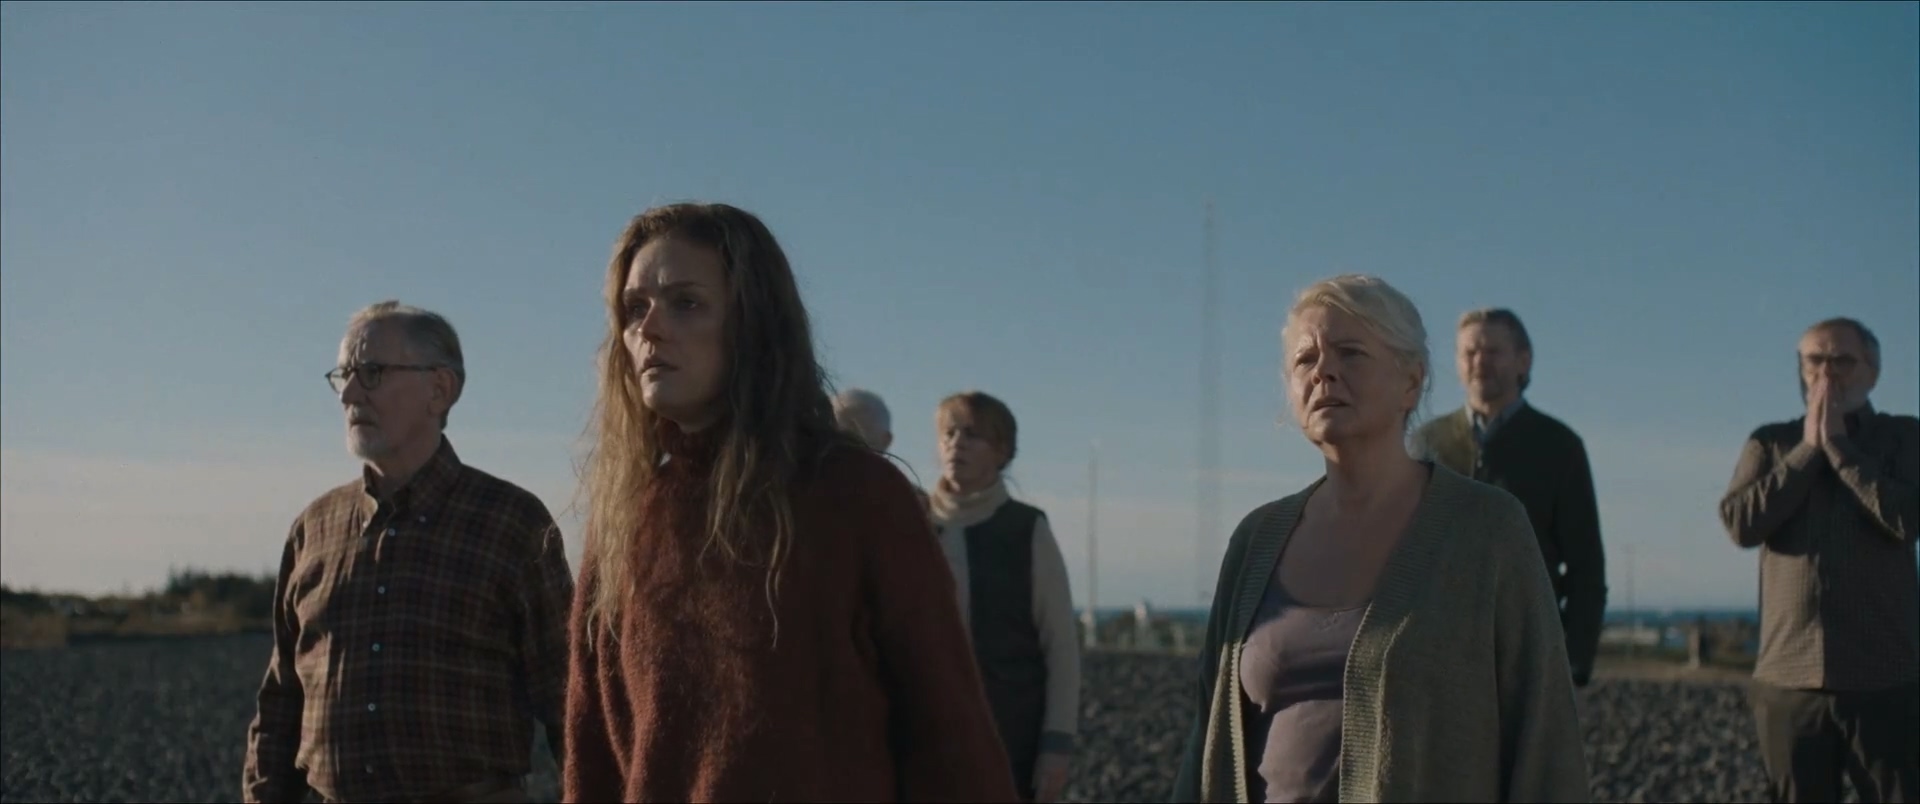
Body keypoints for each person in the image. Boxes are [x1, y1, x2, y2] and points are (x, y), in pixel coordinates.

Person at [561, 202, 1018, 802]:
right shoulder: (628, 514)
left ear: (752, 322)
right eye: (634, 308)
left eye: (686, 303)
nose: (650, 329)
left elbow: (951, 736)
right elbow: (592, 748)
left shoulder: (856, 496)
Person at [1171, 275, 1589, 803]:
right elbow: (1208, 736)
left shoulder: (1489, 530)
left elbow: (1546, 741)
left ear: (1411, 382)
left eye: (1350, 352)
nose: (1323, 371)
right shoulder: (1256, 541)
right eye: (1305, 359)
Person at [243, 301, 574, 804]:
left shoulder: (511, 522)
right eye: (344, 375)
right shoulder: (314, 528)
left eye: (372, 372)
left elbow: (572, 699)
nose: (350, 394)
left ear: (439, 389)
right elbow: (282, 702)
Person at [1718, 317, 1917, 803]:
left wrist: (1840, 450)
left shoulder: (1904, 437)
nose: (1827, 374)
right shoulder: (1770, 442)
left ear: (1873, 372)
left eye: (1842, 361)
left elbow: (1907, 519)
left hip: (1884, 676)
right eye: (1815, 361)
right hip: (1789, 678)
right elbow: (1741, 525)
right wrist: (1808, 450)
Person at [1411, 308, 1608, 687]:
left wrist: (1575, 668)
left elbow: (1587, 570)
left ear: (1523, 360)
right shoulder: (1425, 444)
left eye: (1492, 351)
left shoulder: (1559, 446)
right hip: (1434, 656)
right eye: (1470, 352)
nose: (1479, 362)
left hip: (1526, 658)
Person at [927, 391, 1082, 803]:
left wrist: (1056, 743)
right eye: (948, 433)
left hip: (1009, 736)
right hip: (922, 737)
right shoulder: (911, 524)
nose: (956, 443)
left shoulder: (1026, 529)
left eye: (972, 434)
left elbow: (1060, 645)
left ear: (1001, 451)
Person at [834, 386, 931, 511]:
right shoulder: (812, 491)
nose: (846, 443)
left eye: (858, 430)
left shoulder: (912, 503)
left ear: (885, 440)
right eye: (839, 430)